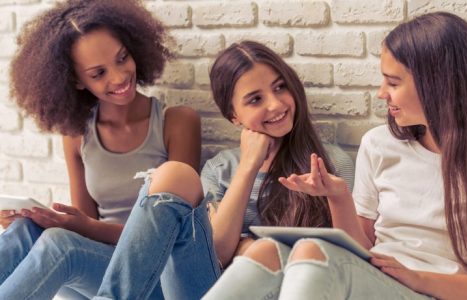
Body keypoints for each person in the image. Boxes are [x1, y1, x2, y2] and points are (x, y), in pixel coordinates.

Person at [204, 12, 467, 300]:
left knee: (310, 250)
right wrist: (338, 196)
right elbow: (360, 249)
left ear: (437, 84)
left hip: (432, 290)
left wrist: (415, 277)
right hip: (378, 279)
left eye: (393, 83)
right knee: (267, 250)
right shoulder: (379, 143)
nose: (381, 93)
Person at [92, 40, 354, 300]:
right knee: (174, 175)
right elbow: (215, 254)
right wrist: (248, 166)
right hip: (211, 290)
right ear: (234, 116)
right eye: (255, 99)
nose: (275, 105)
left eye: (280, 87)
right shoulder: (220, 169)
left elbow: (349, 257)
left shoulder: (331, 165)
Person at [0, 0, 201, 299]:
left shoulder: (177, 123)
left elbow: (178, 235)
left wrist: (81, 227)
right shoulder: (77, 136)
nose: (119, 77)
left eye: (122, 58)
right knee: (23, 232)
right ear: (76, 81)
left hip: (154, 275)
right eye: (98, 73)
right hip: (97, 269)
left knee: (58, 245)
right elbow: (84, 227)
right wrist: (47, 220)